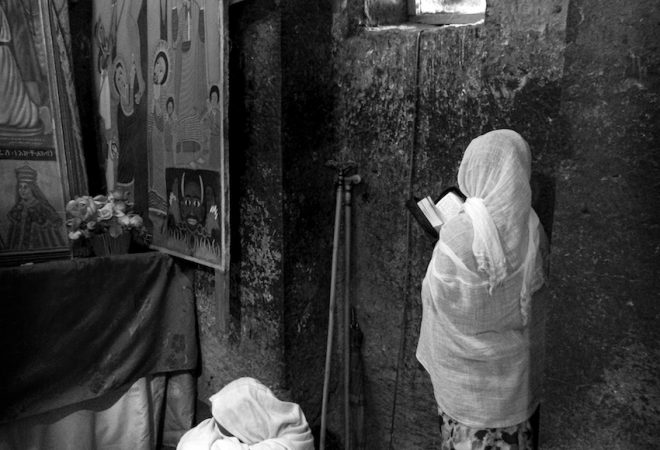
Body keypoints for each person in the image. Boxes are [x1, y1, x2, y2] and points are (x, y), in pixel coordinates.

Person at [416, 129, 549, 449]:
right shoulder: (532, 227)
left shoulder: (458, 231)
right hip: (512, 387)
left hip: (464, 390)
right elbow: (537, 298)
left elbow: (436, 296)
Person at [176, 377, 314, 450]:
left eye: (224, 423)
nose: (214, 424)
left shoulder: (291, 442)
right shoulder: (207, 430)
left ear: (249, 423)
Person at [6, 164, 66, 250]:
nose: (21, 190)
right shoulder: (18, 207)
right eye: (20, 187)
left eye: (25, 187)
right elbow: (12, 234)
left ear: (32, 189)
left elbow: (56, 223)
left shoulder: (42, 206)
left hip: (39, 248)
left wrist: (43, 225)